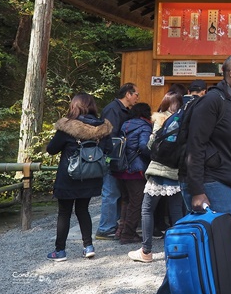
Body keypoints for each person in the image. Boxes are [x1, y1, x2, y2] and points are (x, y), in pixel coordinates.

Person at [187, 54, 231, 294]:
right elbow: (195, 145)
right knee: (228, 241)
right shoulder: (213, 101)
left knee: (213, 242)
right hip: (211, 181)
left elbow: (224, 144)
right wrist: (197, 190)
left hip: (223, 178)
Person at [46, 93, 113, 261]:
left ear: (74, 106)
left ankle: (60, 251)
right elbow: (109, 149)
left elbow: (51, 149)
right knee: (83, 210)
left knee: (64, 212)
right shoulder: (102, 128)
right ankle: (88, 246)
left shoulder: (67, 127)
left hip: (68, 177)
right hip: (91, 176)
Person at [128, 92, 184, 263]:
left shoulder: (160, 120)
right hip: (176, 171)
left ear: (165, 104)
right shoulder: (184, 121)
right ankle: (179, 250)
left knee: (147, 209)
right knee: (176, 212)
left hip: (158, 170)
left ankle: (146, 251)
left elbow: (151, 146)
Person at [96, 82, 138, 239]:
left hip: (117, 158)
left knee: (116, 193)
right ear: (128, 94)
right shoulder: (113, 109)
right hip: (112, 157)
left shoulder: (121, 109)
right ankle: (105, 228)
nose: (137, 98)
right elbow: (111, 137)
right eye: (136, 95)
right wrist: (113, 159)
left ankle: (113, 226)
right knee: (111, 192)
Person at [115, 102, 153, 245]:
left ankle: (121, 230)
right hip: (135, 170)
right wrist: (153, 155)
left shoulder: (125, 125)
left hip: (121, 168)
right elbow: (144, 146)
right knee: (137, 202)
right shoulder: (144, 126)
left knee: (126, 200)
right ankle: (128, 234)